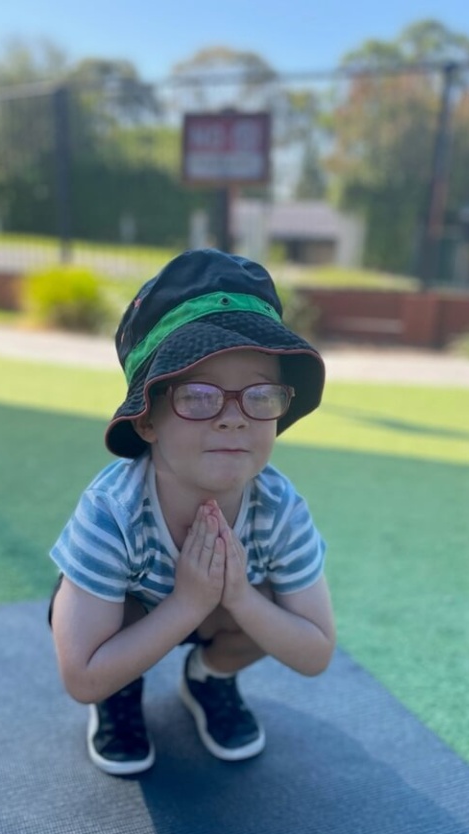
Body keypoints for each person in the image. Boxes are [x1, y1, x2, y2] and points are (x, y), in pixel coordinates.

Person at [49, 248, 336, 775]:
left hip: (225, 611)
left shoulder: (280, 509)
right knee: (108, 639)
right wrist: (186, 602)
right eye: (199, 396)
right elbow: (80, 674)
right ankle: (123, 692)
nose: (233, 419)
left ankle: (210, 676)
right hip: (128, 616)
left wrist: (240, 597)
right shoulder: (112, 511)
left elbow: (315, 650)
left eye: (260, 395)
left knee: (276, 603)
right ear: (147, 420)